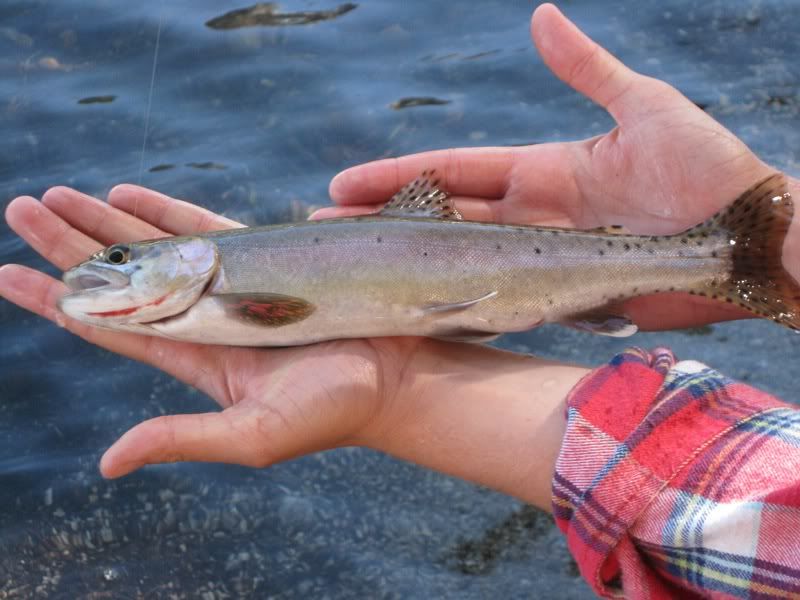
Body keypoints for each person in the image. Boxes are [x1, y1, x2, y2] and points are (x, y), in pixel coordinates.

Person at [1, 3, 798, 598]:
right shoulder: (219, 286)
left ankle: (724, 257)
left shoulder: (228, 284)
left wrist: (398, 401)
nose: (111, 270)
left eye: (123, 259)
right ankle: (730, 256)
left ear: (185, 258)